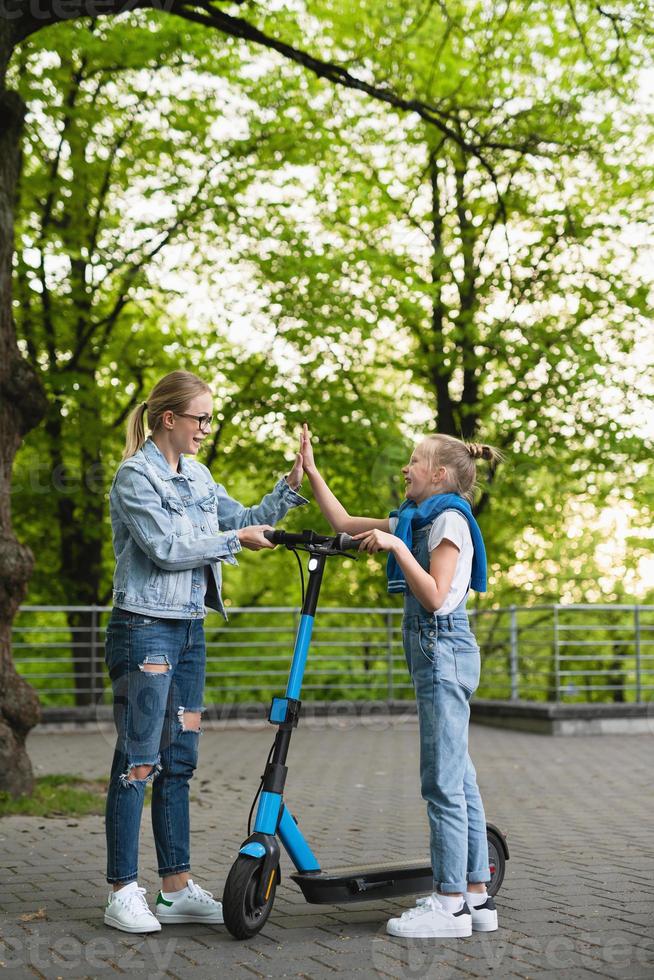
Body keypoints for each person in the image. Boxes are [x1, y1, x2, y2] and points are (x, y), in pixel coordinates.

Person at [103, 370, 307, 934]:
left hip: (190, 634)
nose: (205, 429)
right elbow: (168, 549)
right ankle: (122, 890)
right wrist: (232, 541)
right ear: (169, 419)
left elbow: (236, 522)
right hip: (146, 631)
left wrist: (287, 491)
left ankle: (174, 889)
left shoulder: (196, 474)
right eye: (200, 418)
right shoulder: (134, 478)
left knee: (180, 761)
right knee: (138, 761)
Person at [300, 424, 501, 939]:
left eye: (414, 461)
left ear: (438, 474)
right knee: (460, 776)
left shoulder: (449, 521)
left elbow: (435, 596)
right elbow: (343, 521)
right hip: (438, 652)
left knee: (441, 779)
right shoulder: (419, 517)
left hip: (444, 649)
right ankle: (476, 894)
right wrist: (313, 472)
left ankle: (449, 902)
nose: (405, 468)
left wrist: (394, 544)